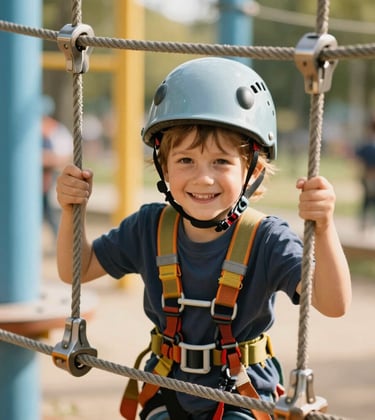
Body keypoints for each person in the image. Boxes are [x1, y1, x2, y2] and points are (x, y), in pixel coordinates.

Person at [56, 58, 351, 420]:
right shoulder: (149, 227)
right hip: (167, 389)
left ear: (253, 169)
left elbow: (333, 304)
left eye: (221, 162)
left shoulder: (267, 239)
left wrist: (324, 227)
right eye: (185, 161)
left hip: (242, 396)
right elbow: (78, 270)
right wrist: (72, 210)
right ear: (163, 166)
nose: (203, 178)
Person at [42, 96, 73, 238]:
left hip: (47, 174)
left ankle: (59, 237)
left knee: (47, 208)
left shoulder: (55, 130)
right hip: (35, 175)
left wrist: (43, 158)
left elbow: (63, 157)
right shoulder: (32, 130)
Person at [355, 113, 375, 230]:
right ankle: (365, 222)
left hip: (368, 176)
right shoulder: (368, 144)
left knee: (367, 201)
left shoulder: (367, 143)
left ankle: (363, 223)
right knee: (368, 200)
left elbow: (358, 159)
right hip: (370, 176)